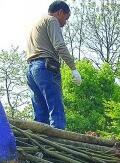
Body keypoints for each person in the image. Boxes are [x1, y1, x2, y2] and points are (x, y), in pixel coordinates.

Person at [26, 1, 82, 130]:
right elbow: (60, 46)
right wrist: (73, 68)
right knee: (55, 107)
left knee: (40, 112)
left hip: (31, 69)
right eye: (66, 18)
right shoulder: (52, 20)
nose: (65, 23)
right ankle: (59, 143)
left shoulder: (36, 23)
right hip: (46, 67)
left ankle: (41, 145)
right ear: (60, 12)